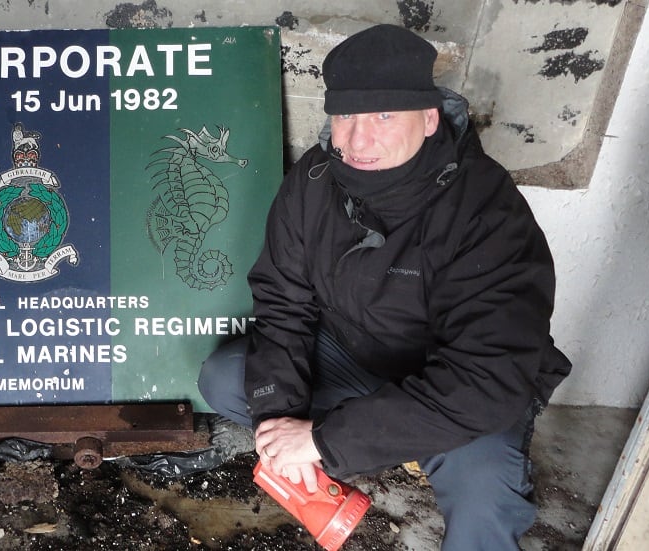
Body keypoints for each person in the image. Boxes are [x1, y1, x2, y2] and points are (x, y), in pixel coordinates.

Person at [198, 23, 572, 550]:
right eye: (346, 115)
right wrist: (283, 423)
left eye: (383, 115)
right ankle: (372, 440)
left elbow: (486, 378)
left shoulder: (486, 211)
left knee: (484, 491)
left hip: (463, 389)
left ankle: (386, 443)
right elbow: (282, 304)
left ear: (428, 118)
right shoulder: (313, 181)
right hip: (358, 356)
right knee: (226, 378)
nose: (358, 139)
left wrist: (324, 440)